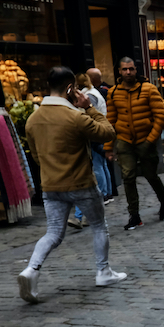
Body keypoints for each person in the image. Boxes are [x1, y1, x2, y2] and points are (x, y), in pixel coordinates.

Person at [17, 66, 124, 303]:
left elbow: (36, 156)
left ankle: (31, 269)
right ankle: (103, 271)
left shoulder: (33, 119)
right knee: (98, 225)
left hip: (51, 185)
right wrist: (88, 107)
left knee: (53, 233)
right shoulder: (75, 116)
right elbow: (108, 132)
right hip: (80, 183)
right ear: (70, 88)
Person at [104, 56, 164, 230]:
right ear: (119, 71)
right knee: (128, 176)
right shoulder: (113, 92)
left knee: (150, 175)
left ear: (136, 70)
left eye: (131, 69)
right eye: (125, 69)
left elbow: (161, 116)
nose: (128, 72)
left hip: (145, 140)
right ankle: (134, 215)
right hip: (124, 140)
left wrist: (150, 139)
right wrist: (108, 148)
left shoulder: (149, 89)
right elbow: (110, 120)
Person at [66, 72, 113, 229]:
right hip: (95, 136)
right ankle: (89, 212)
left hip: (93, 137)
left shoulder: (88, 97)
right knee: (97, 170)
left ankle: (83, 215)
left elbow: (90, 118)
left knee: (93, 174)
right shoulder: (93, 93)